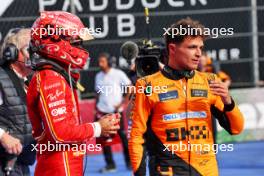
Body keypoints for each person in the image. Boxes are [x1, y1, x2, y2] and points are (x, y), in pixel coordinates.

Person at [128, 17, 244, 176]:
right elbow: (136, 137)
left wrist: (228, 102)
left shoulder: (210, 81)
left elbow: (236, 129)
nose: (198, 54)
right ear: (173, 49)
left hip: (206, 170)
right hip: (167, 170)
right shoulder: (147, 85)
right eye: (192, 47)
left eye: (200, 48)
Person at [27, 11, 120, 176]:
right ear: (55, 41)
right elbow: (59, 133)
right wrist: (98, 128)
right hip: (59, 167)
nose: (81, 49)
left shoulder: (56, 75)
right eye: (77, 43)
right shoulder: (50, 78)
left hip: (65, 166)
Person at [0, 28, 35, 175]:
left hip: (21, 163)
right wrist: (3, 136)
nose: (36, 55)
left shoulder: (30, 82)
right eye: (30, 49)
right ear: (13, 52)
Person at [94, 52, 132, 173]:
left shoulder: (118, 74)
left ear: (109, 62)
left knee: (123, 138)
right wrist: (96, 107)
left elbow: (130, 87)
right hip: (102, 112)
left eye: (103, 61)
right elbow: (97, 92)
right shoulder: (98, 76)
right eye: (99, 61)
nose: (100, 64)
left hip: (116, 112)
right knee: (104, 140)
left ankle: (129, 162)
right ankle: (110, 165)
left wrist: (123, 103)